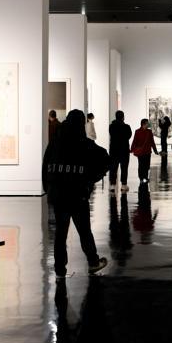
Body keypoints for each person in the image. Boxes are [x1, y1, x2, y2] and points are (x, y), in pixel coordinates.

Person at [42, 109, 110, 278]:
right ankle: (93, 262)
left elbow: (45, 167)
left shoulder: (55, 143)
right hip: (77, 195)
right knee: (84, 231)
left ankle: (60, 269)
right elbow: (105, 159)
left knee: (60, 234)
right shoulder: (84, 143)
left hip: (59, 196)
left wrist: (48, 189)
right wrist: (91, 179)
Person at [108, 111, 132, 192]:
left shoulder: (111, 126)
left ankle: (112, 185)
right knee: (124, 168)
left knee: (113, 168)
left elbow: (111, 134)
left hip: (114, 150)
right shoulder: (127, 127)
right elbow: (129, 136)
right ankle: (123, 185)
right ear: (123, 117)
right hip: (124, 150)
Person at [130, 118, 159, 184]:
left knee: (147, 166)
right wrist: (132, 149)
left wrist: (155, 150)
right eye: (147, 123)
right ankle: (141, 178)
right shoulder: (137, 131)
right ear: (143, 124)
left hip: (147, 151)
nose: (148, 124)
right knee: (141, 165)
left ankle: (145, 177)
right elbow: (135, 141)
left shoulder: (149, 132)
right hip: (140, 152)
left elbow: (152, 142)